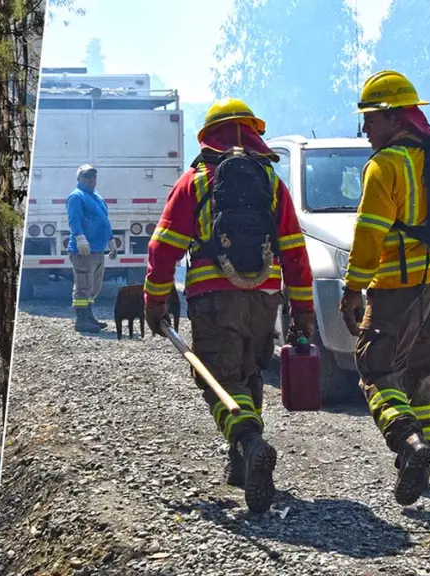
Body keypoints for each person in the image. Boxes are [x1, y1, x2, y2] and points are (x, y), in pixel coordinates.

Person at [142, 99, 315, 514]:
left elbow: (162, 248)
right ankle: (240, 462)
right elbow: (294, 250)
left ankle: (249, 443)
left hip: (213, 299)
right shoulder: (272, 183)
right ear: (253, 133)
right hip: (264, 299)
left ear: (209, 136)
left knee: (218, 379)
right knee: (250, 372)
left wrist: (155, 299)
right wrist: (303, 310)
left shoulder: (196, 181)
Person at [340, 70, 430, 506]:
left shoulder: (385, 166)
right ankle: (424, 463)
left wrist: (353, 289)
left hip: (397, 286)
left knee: (376, 370)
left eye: (370, 119)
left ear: (394, 118)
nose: (366, 130)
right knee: (420, 372)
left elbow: (370, 235)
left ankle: (410, 444)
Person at [66, 164, 117, 333]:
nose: (90, 180)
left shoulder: (97, 197)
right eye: (86, 177)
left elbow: (105, 220)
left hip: (97, 249)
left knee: (94, 286)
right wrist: (80, 237)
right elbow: (74, 219)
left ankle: (89, 316)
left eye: (93, 177)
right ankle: (81, 320)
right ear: (79, 179)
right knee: (83, 286)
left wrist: (111, 241)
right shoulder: (76, 196)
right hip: (84, 250)